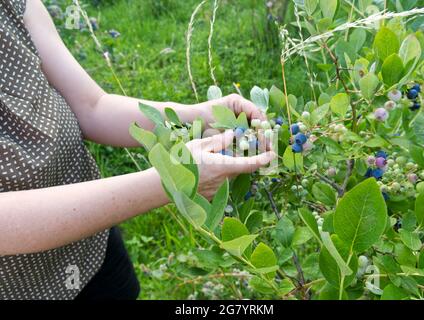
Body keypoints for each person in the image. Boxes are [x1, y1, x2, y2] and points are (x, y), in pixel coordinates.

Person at [0, 0, 276, 300]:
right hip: (22, 286)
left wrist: (201, 115)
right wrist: (172, 181)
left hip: (94, 242)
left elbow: (92, 106)